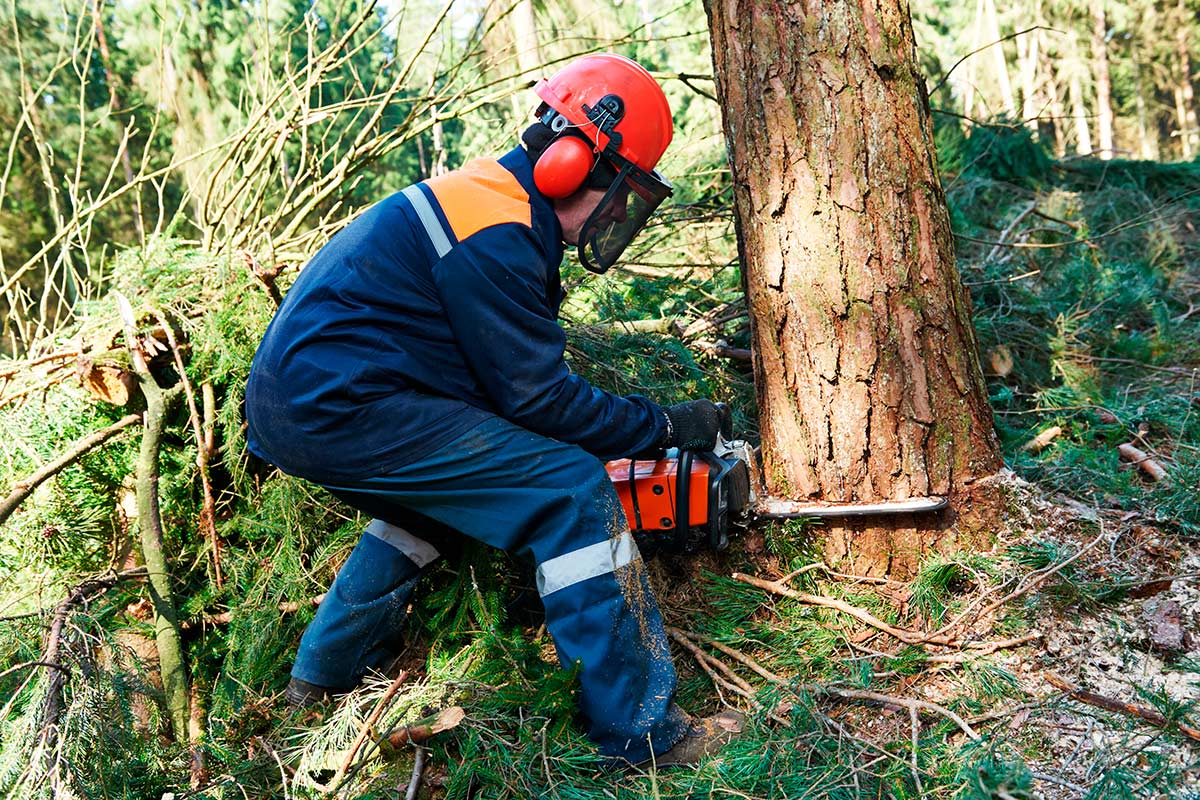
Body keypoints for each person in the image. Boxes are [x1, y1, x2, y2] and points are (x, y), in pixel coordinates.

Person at [244, 53, 741, 766]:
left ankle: (320, 679)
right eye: (619, 192)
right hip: (341, 406)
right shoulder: (495, 228)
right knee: (568, 492)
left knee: (427, 511)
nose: (616, 214)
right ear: (573, 164)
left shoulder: (490, 202)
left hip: (306, 404)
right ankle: (639, 734)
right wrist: (662, 426)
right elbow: (540, 399)